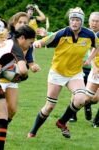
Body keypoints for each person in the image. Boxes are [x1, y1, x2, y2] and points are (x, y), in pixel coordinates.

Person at [27, 7, 99, 139]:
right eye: (72, 20)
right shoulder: (61, 33)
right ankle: (33, 131)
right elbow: (42, 42)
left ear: (81, 22)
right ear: (69, 21)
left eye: (77, 20)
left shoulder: (89, 34)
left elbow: (98, 45)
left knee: (81, 99)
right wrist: (37, 44)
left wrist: (90, 58)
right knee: (49, 107)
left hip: (75, 74)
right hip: (57, 73)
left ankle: (62, 122)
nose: (74, 22)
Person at [0, 12, 41, 129]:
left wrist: (33, 66)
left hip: (12, 76)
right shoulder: (7, 37)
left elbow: (28, 60)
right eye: (20, 22)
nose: (22, 24)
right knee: (0, 111)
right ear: (14, 23)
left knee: (12, 110)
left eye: (25, 22)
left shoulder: (27, 42)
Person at [69, 12, 99, 123]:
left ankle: (87, 105)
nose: (95, 23)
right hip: (81, 68)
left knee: (94, 98)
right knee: (77, 91)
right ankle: (72, 114)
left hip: (94, 69)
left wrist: (95, 66)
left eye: (97, 21)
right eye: (93, 21)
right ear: (89, 21)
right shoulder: (83, 32)